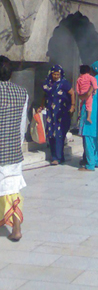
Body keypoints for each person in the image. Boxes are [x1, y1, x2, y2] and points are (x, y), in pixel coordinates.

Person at [0, 56, 29, 241]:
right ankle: (16, 229)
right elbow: (22, 125)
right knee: (13, 189)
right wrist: (18, 145)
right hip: (13, 151)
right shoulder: (22, 92)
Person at [38, 64, 75, 165]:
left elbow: (72, 93)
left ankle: (57, 157)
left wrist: (72, 106)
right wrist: (41, 106)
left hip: (61, 113)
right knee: (51, 135)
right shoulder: (48, 84)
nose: (55, 76)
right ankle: (56, 156)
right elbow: (45, 96)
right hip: (50, 113)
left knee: (59, 135)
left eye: (57, 74)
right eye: (54, 74)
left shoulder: (64, 83)